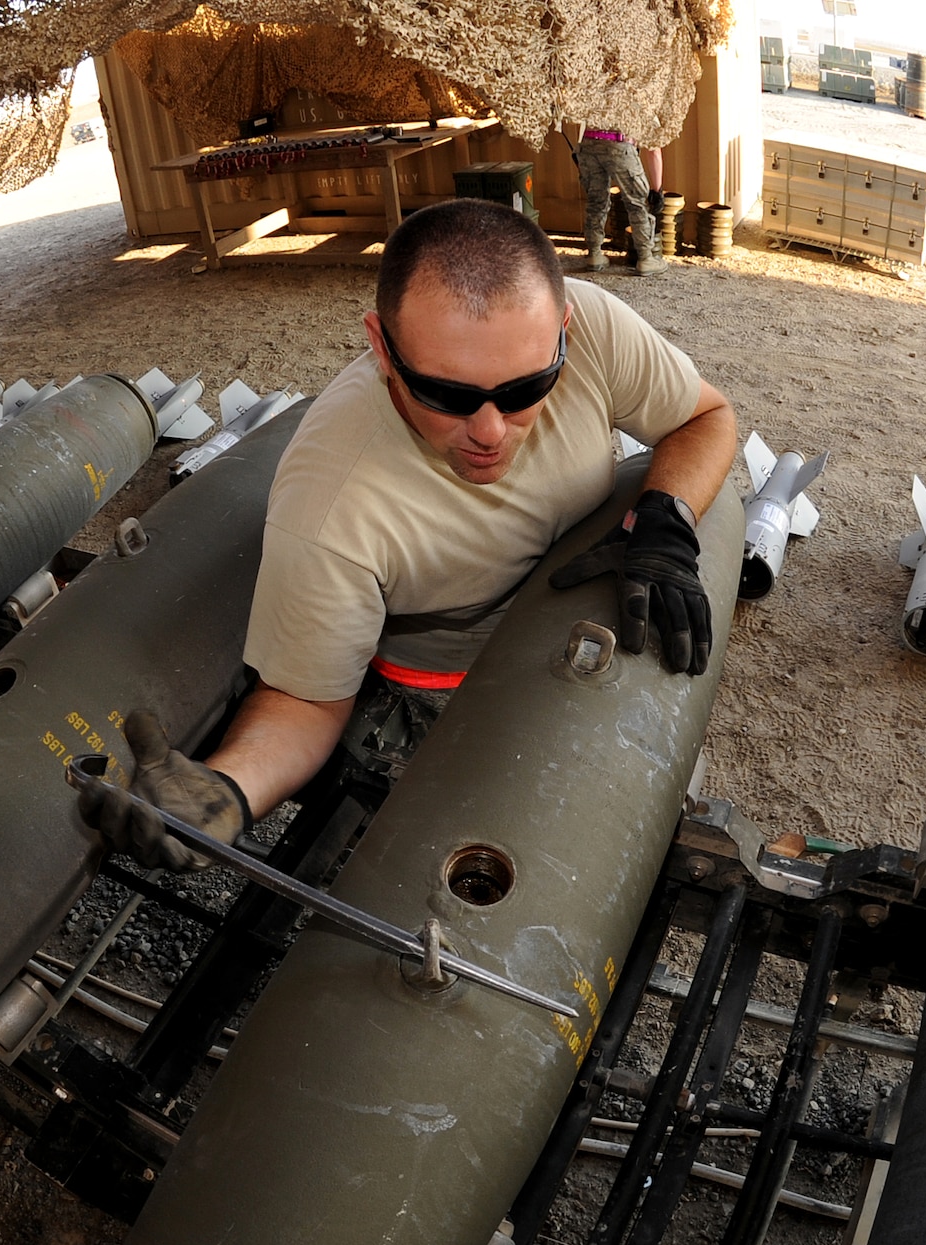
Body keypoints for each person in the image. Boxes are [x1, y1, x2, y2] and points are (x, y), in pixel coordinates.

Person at [83, 198, 735, 870]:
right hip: (444, 684)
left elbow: (705, 417)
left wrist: (667, 519)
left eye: (525, 389)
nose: (487, 431)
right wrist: (230, 788)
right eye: (448, 396)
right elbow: (308, 697)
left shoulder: (594, 326)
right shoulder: (330, 504)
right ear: (381, 348)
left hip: (576, 604)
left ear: (564, 328)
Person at [578, 128, 666, 276]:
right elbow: (654, 150)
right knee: (637, 202)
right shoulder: (643, 104)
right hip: (619, 144)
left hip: (587, 145)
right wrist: (657, 190)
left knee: (596, 201)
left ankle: (594, 255)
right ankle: (646, 258)